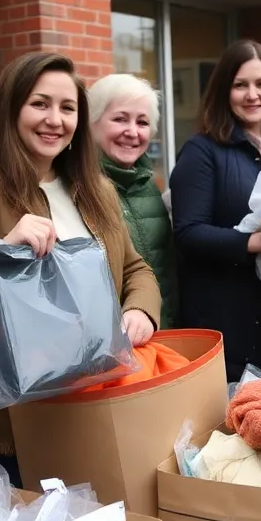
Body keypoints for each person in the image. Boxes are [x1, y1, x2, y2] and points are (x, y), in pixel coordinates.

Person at [0, 52, 161, 484]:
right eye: (40, 104)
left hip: (81, 412)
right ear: (11, 109)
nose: (55, 119)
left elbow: (135, 270)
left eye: (67, 108)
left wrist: (140, 310)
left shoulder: (95, 189)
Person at [170, 39, 261, 380]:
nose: (252, 95)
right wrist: (254, 241)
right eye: (240, 85)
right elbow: (188, 233)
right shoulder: (201, 151)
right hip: (226, 318)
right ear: (224, 91)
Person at [88, 73, 177, 329]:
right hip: (112, 346)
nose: (132, 132)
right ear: (91, 123)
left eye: (143, 122)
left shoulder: (147, 184)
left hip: (161, 335)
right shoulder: (76, 188)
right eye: (119, 119)